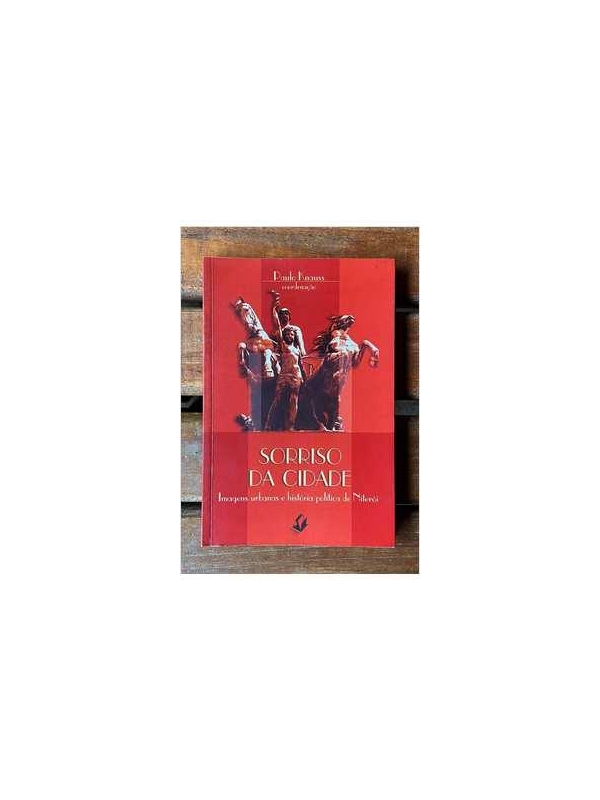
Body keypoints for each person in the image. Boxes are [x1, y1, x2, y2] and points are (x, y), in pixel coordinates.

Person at [264, 293, 304, 431]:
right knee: (277, 400)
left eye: (291, 334)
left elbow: (301, 364)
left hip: (296, 376)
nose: (289, 335)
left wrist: (304, 377)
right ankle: (268, 424)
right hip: (284, 375)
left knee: (294, 401)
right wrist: (273, 309)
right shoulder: (282, 344)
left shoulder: (297, 349)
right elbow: (277, 326)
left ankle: (290, 426)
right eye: (287, 334)